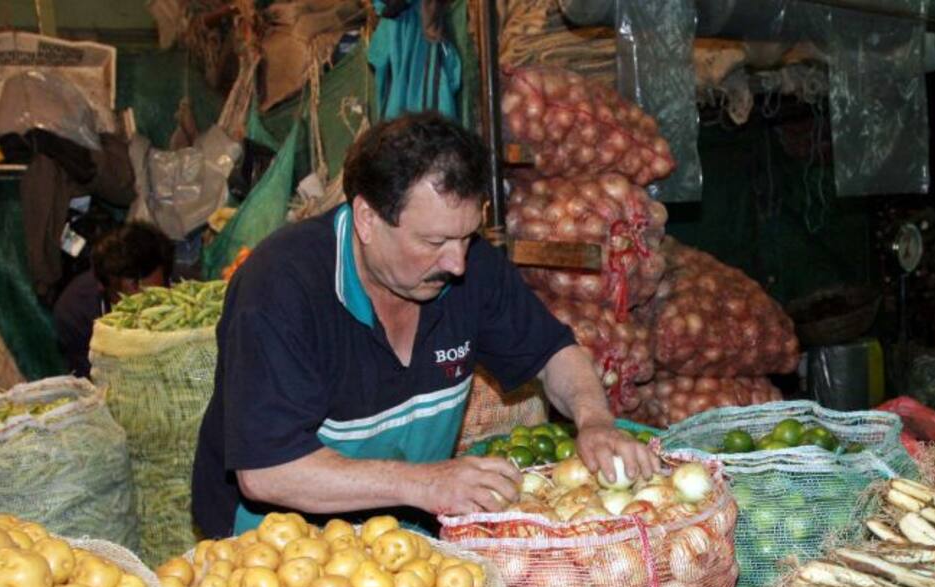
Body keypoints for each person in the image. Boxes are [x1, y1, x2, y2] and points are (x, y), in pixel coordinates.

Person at [191, 112, 655, 537]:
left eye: (466, 237)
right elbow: (267, 472)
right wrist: (425, 484)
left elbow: (553, 353)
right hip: (277, 552)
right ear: (368, 219)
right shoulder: (282, 288)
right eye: (433, 241)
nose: (455, 262)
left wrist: (594, 420)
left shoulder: (470, 266)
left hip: (401, 543)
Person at [52, 223, 174, 377]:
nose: (144, 309)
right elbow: (89, 378)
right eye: (130, 301)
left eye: (154, 296)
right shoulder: (75, 311)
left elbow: (203, 370)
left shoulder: (187, 293)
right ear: (102, 285)